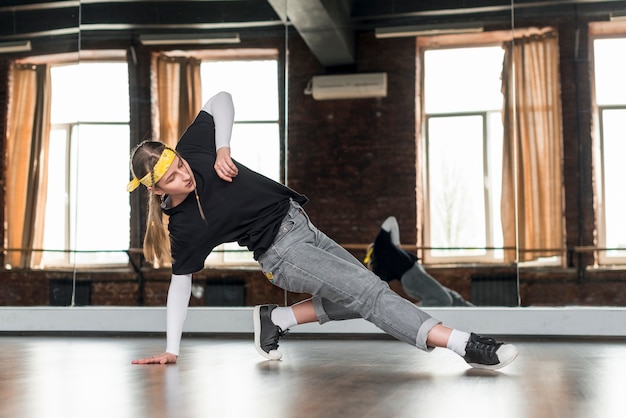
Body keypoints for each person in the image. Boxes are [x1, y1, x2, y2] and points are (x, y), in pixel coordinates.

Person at [128, 91, 519, 371]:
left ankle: (277, 320)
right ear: (156, 189)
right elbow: (180, 286)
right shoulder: (184, 227)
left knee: (366, 286)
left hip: (299, 222)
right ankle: (465, 344)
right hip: (283, 254)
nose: (185, 175)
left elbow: (221, 99)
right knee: (369, 293)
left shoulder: (196, 149)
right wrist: (171, 349)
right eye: (173, 178)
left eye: (179, 164)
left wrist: (223, 147)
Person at [364, 216, 473, 307]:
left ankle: (474, 311)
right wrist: (397, 244)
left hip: (413, 276)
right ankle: (411, 312)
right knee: (444, 299)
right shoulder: (380, 244)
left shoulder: (380, 267)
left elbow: (378, 287)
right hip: (412, 275)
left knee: (452, 297)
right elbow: (391, 220)